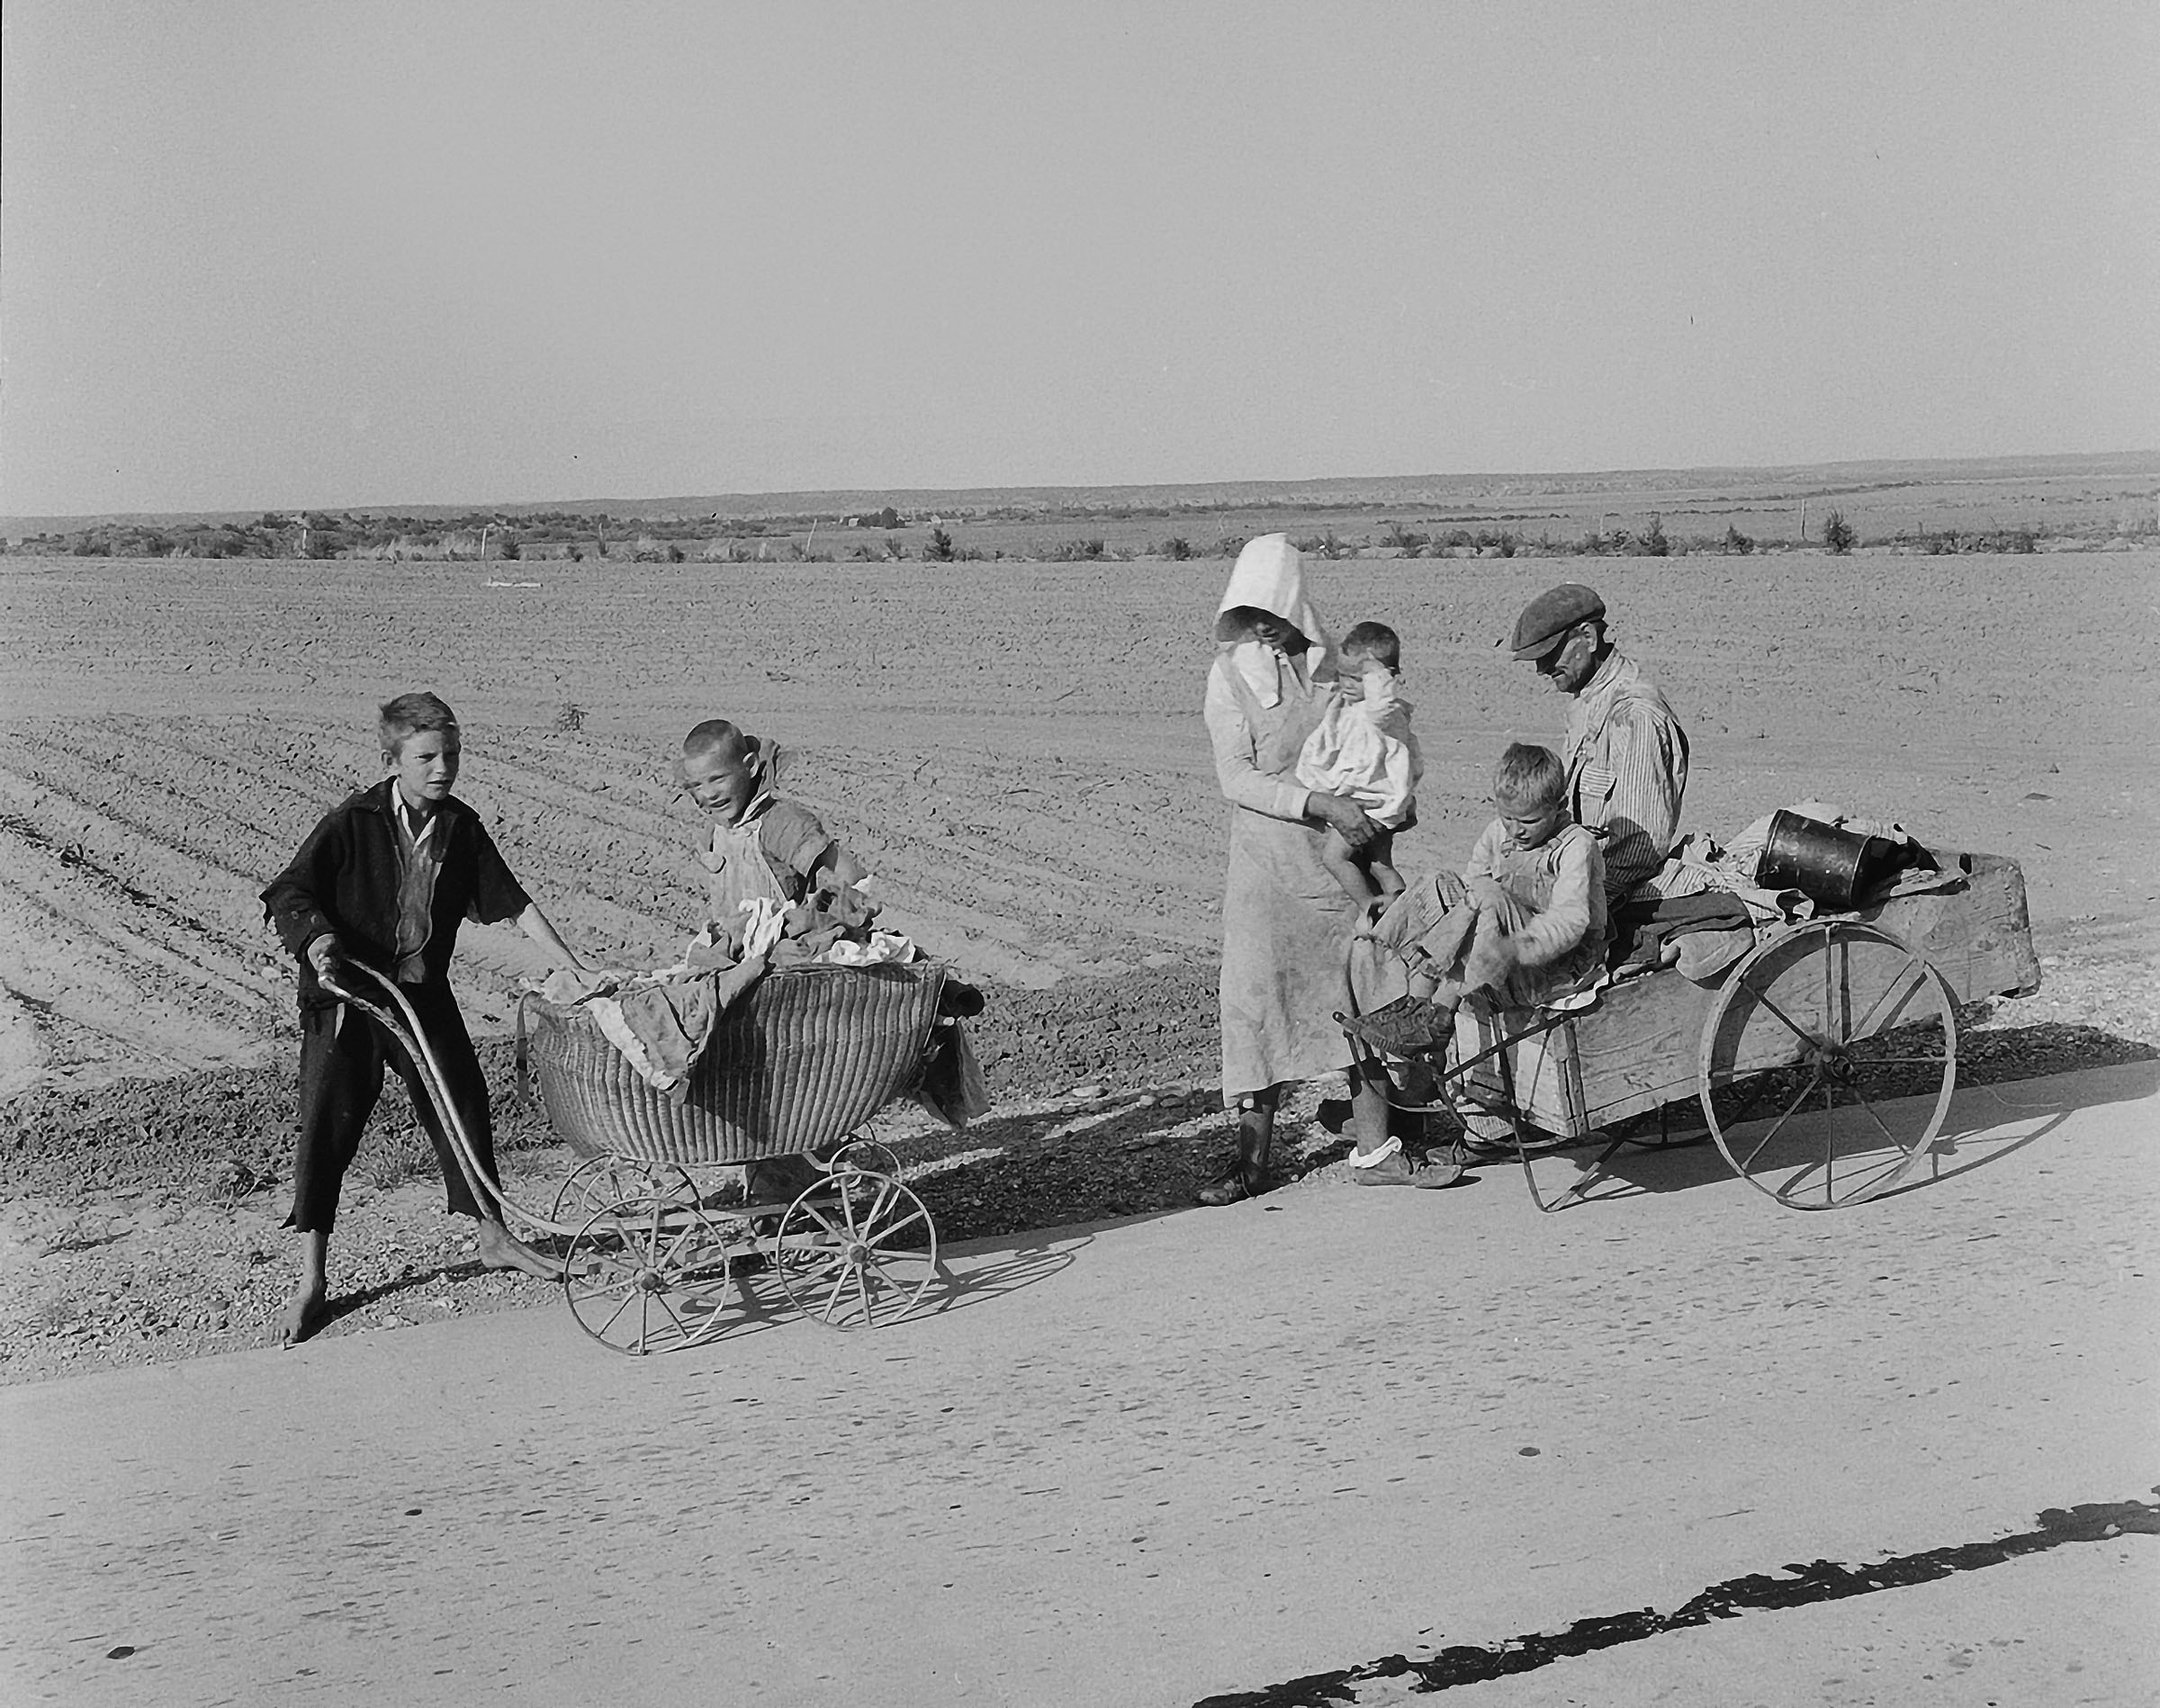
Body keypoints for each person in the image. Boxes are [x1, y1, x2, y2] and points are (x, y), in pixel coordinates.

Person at [261, 692, 587, 1346]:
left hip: (420, 994)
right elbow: (290, 890)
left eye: (452, 755)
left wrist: (572, 963)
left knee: (463, 1108)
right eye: (428, 757)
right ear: (393, 759)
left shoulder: (460, 827)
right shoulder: (353, 820)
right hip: (350, 998)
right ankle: (311, 1280)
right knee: (327, 1125)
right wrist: (319, 939)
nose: (443, 768)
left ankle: (495, 1238)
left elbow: (513, 903)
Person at [1201, 535, 1450, 1203]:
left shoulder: (1326, 667)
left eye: (1269, 609)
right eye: (1248, 612)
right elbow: (1236, 778)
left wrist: (1380, 799)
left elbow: (1371, 734)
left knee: (1358, 998)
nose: (1260, 625)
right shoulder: (1227, 680)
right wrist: (1317, 801)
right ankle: (1251, 1167)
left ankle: (1376, 1149)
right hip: (1265, 873)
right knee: (1260, 1006)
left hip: (1334, 869)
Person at [1346, 744, 1610, 1160]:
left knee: (1484, 896)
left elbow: (1571, 922)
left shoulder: (1575, 846)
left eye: (1528, 821)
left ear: (1558, 806)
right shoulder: (1497, 835)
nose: (1516, 831)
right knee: (1440, 882)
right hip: (1492, 943)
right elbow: (1466, 893)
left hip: (1552, 961)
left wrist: (1514, 947)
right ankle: (1418, 1003)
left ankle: (1439, 1012)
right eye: (1507, 818)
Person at [675, 717, 870, 1202]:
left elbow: (849, 876)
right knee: (750, 1078)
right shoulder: (720, 832)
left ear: (749, 766)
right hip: (744, 972)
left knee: (789, 1078)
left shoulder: (781, 823)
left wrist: (827, 920)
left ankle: (788, 1180)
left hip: (787, 974)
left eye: (718, 779)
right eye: (696, 785)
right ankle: (777, 1177)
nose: (708, 794)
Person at [1506, 583, 1688, 907]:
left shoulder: (1635, 716)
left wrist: (1571, 905)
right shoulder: (1588, 699)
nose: (1542, 669)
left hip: (1609, 898)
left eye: (1550, 655)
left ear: (1588, 638)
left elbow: (1639, 848)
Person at [1294, 619, 1422, 904]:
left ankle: (1368, 906)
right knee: (1380, 865)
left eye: (1358, 678)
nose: (1347, 684)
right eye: (1344, 675)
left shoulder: (1385, 714)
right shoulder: (1352, 707)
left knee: (1334, 858)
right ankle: (1405, 910)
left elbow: (1379, 706)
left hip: (1374, 803)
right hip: (1377, 802)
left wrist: (1378, 673)